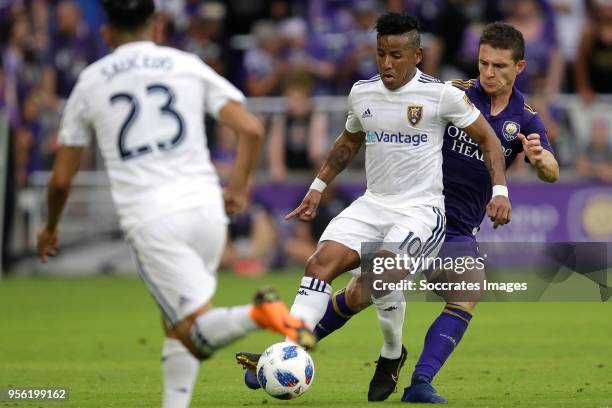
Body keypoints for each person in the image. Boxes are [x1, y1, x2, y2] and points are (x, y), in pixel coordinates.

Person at [35, 2, 314, 408]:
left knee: (194, 333)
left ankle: (260, 314)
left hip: (153, 220)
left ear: (107, 34)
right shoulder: (186, 64)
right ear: (159, 26)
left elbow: (61, 179)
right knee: (174, 323)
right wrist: (236, 190)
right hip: (206, 213)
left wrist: (50, 227)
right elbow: (251, 128)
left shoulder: (91, 81)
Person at [266, 22, 559, 404]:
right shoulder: (452, 93)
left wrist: (538, 159)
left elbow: (551, 169)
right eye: (483, 63)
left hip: (454, 228)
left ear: (519, 67)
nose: (488, 73)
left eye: (499, 67)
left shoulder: (525, 117)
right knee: (363, 291)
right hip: (415, 211)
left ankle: (419, 382)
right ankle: (288, 356)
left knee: (465, 289)